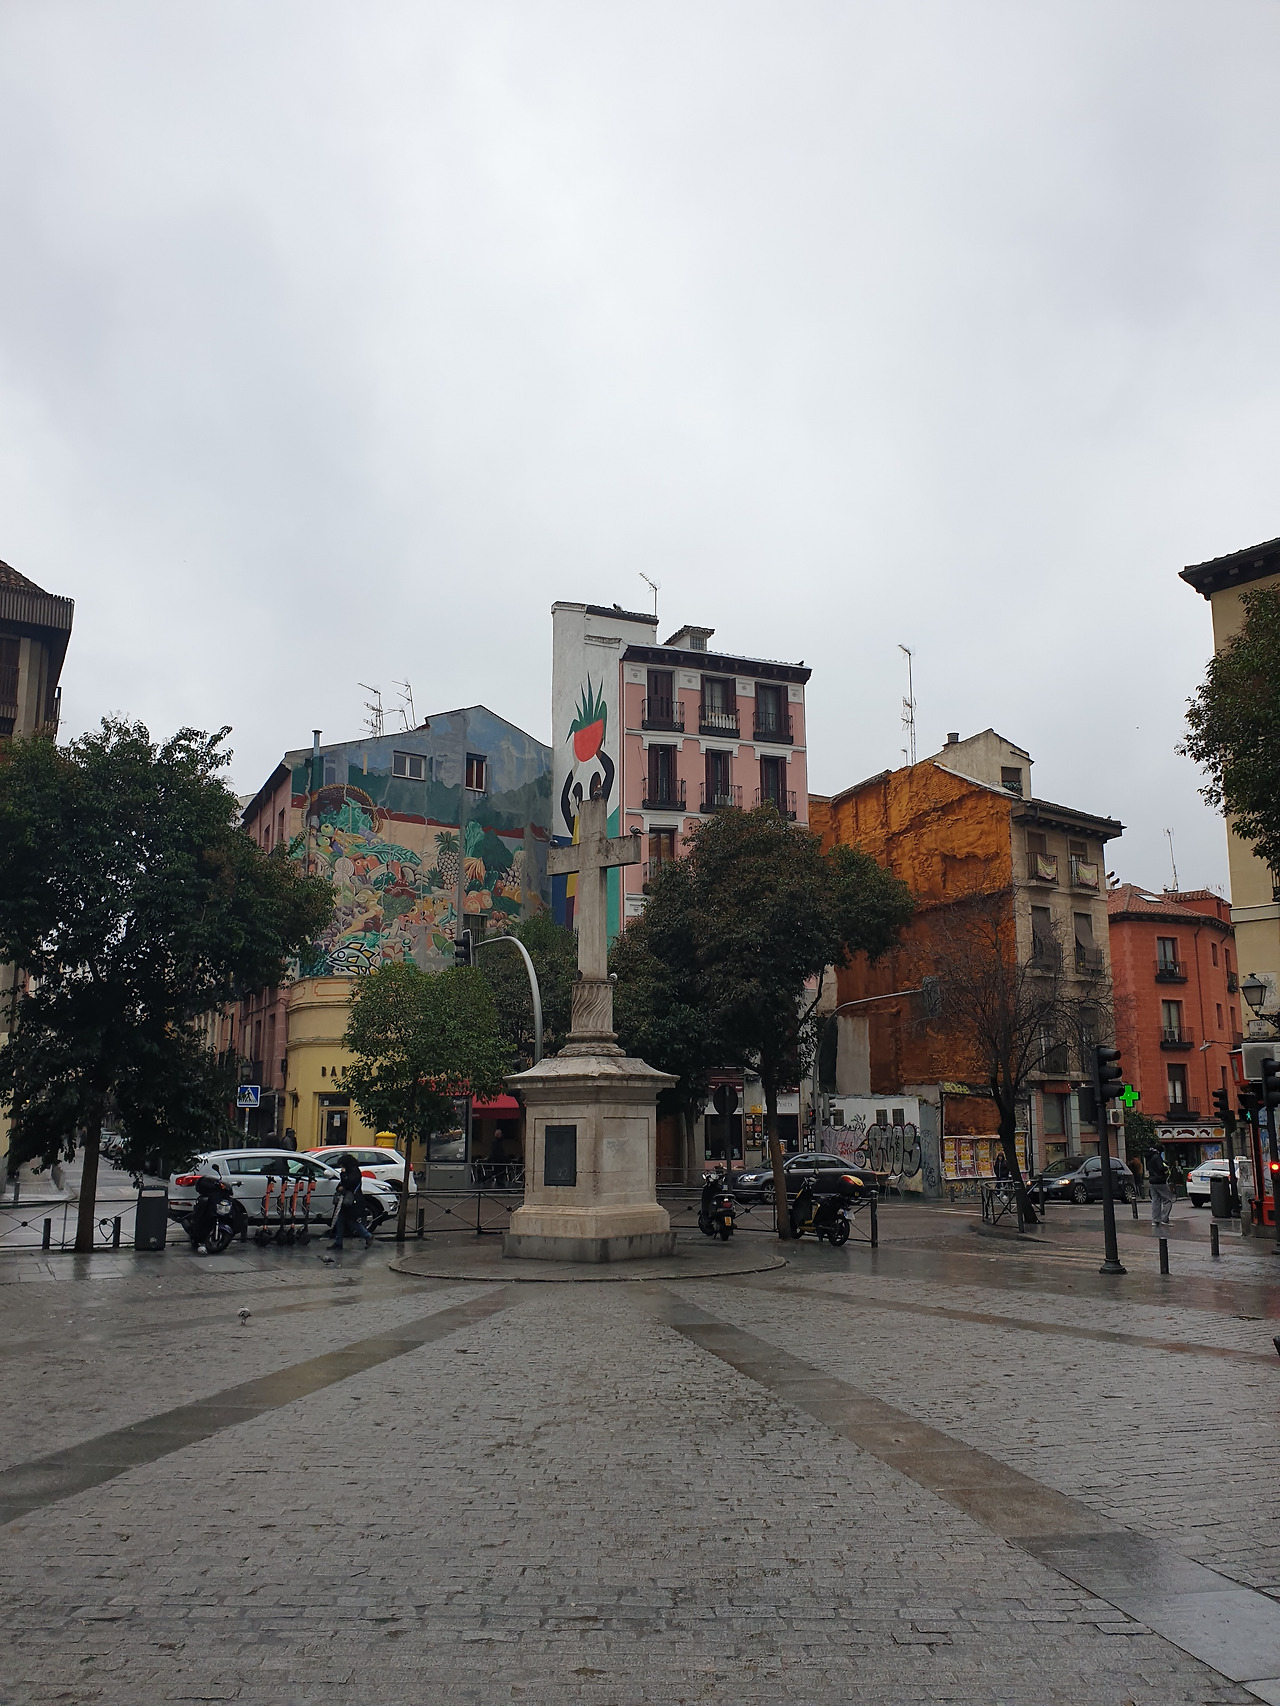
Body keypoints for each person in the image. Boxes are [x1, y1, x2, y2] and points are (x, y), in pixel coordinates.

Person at [328, 1153, 373, 1251]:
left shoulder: (354, 1172)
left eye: (342, 1165)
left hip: (353, 1202)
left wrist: (343, 1174)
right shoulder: (350, 1171)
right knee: (340, 1221)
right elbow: (341, 1184)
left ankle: (367, 1235)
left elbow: (348, 1183)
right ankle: (338, 1242)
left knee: (351, 1221)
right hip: (347, 1201)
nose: (341, 1167)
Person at [1147, 1147, 1174, 1228]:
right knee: (1168, 1200)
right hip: (1160, 1181)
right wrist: (1166, 1168)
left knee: (1155, 1201)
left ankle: (1155, 1220)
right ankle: (1164, 1219)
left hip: (1152, 1181)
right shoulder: (1157, 1156)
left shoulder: (1149, 1156)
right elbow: (1161, 1167)